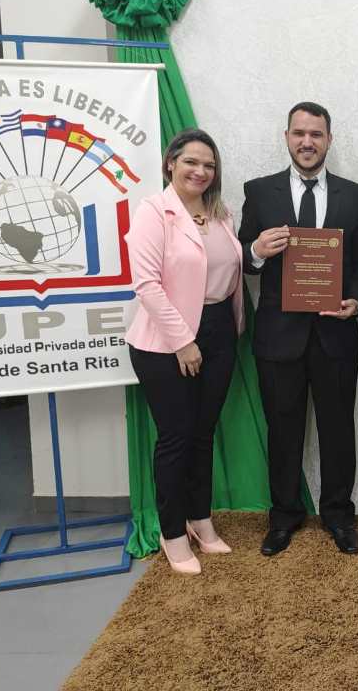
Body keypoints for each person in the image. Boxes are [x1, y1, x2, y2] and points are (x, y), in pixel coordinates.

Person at [238, 102, 358, 556]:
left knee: (339, 429)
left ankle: (339, 515)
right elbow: (242, 261)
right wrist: (256, 249)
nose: (307, 142)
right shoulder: (259, 192)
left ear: (329, 139)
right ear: (287, 137)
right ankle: (283, 517)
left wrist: (357, 301)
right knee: (283, 430)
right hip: (279, 337)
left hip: (335, 336)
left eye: (316, 134)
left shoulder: (356, 195)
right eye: (299, 133)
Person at [126, 128, 244, 576]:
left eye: (209, 165)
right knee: (175, 438)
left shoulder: (220, 213)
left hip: (218, 330)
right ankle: (171, 532)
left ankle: (200, 520)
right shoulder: (153, 212)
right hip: (166, 340)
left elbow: (229, 270)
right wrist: (183, 341)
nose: (201, 171)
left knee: (203, 433)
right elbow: (147, 285)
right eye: (191, 162)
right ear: (170, 163)